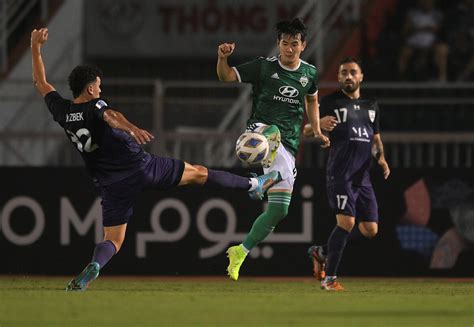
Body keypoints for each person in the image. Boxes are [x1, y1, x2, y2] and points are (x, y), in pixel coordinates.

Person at [31, 28, 281, 291]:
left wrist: (35, 48)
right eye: (99, 87)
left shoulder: (62, 110)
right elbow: (110, 115)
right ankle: (253, 185)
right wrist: (131, 128)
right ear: (91, 87)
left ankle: (95, 266)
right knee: (199, 173)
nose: (100, 90)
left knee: (113, 240)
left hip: (111, 184)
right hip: (142, 167)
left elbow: (40, 82)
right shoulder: (96, 106)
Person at [216, 18, 330, 281]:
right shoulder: (263, 67)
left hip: (288, 144)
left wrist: (318, 130)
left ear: (304, 45)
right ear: (278, 43)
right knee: (273, 133)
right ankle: (261, 182)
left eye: (294, 44)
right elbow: (226, 76)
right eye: (284, 43)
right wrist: (222, 58)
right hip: (260, 132)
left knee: (280, 210)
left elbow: (312, 101)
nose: (288, 49)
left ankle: (240, 251)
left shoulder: (310, 73)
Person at [305, 58, 390, 291]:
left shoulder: (371, 105)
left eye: (353, 72)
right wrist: (318, 123)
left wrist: (381, 158)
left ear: (361, 76)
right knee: (347, 222)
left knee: (370, 229)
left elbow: (375, 138)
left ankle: (321, 251)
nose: (348, 76)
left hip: (362, 177)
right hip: (340, 173)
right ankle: (329, 279)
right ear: (339, 77)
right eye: (344, 73)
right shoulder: (330, 102)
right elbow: (306, 129)